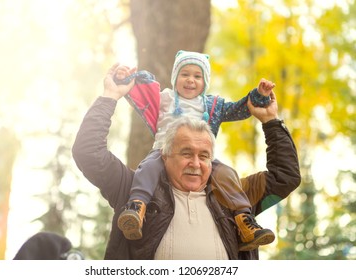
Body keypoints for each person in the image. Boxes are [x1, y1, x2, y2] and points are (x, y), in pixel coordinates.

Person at [71, 63, 301, 259]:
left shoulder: (236, 196)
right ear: (165, 154)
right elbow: (88, 152)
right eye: (185, 153)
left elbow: (285, 176)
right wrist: (110, 96)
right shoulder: (132, 189)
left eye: (204, 156)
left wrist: (271, 121)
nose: (196, 163)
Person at [114, 50, 275, 251]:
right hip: (165, 150)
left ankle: (244, 220)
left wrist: (258, 96)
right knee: (146, 168)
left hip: (201, 156)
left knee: (227, 174)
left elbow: (238, 109)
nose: (190, 80)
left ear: (205, 81)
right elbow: (141, 93)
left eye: (197, 76)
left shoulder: (212, 104)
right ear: (175, 78)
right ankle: (137, 208)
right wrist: (125, 76)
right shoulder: (165, 98)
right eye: (185, 74)